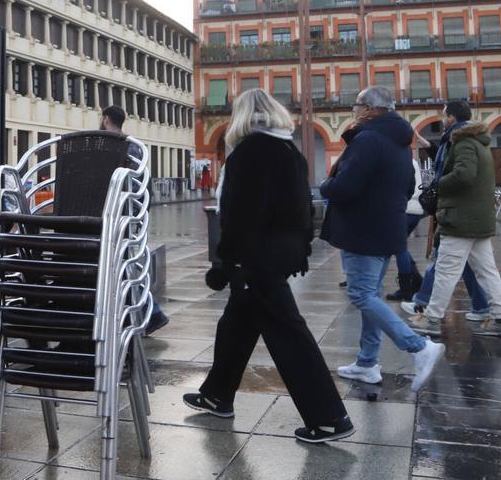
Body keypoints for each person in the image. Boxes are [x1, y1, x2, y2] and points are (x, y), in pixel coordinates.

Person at [183, 89, 353, 443]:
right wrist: (301, 248)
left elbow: (237, 216)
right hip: (281, 251)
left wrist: (224, 263)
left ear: (241, 117)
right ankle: (217, 394)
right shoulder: (289, 150)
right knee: (235, 326)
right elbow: (302, 206)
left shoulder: (248, 153)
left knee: (288, 333)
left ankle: (329, 419)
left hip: (256, 257)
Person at [319, 86, 445, 391]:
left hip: (363, 228)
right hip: (386, 225)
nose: (355, 111)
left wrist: (326, 186)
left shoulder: (369, 139)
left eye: (358, 105)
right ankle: (367, 363)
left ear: (372, 110)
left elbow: (345, 186)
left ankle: (419, 347)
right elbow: (405, 187)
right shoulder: (399, 142)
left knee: (362, 295)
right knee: (371, 294)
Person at [409, 101, 501, 339]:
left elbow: (464, 175)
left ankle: (433, 319)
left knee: (446, 270)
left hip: (460, 218)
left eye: (445, 116)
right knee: (488, 271)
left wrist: (437, 184)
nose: (443, 120)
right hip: (477, 218)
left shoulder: (463, 142)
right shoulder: (478, 142)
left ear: (452, 118)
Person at [100, 105, 170, 334]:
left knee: (122, 266)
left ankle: (152, 313)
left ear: (106, 119)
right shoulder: (134, 146)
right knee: (126, 265)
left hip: (116, 215)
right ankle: (148, 314)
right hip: (132, 212)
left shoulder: (108, 145)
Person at [386, 134, 430, 301]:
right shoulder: (410, 161)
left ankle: (408, 287)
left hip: (406, 209)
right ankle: (415, 281)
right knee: (399, 247)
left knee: (399, 248)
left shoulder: (401, 162)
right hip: (413, 210)